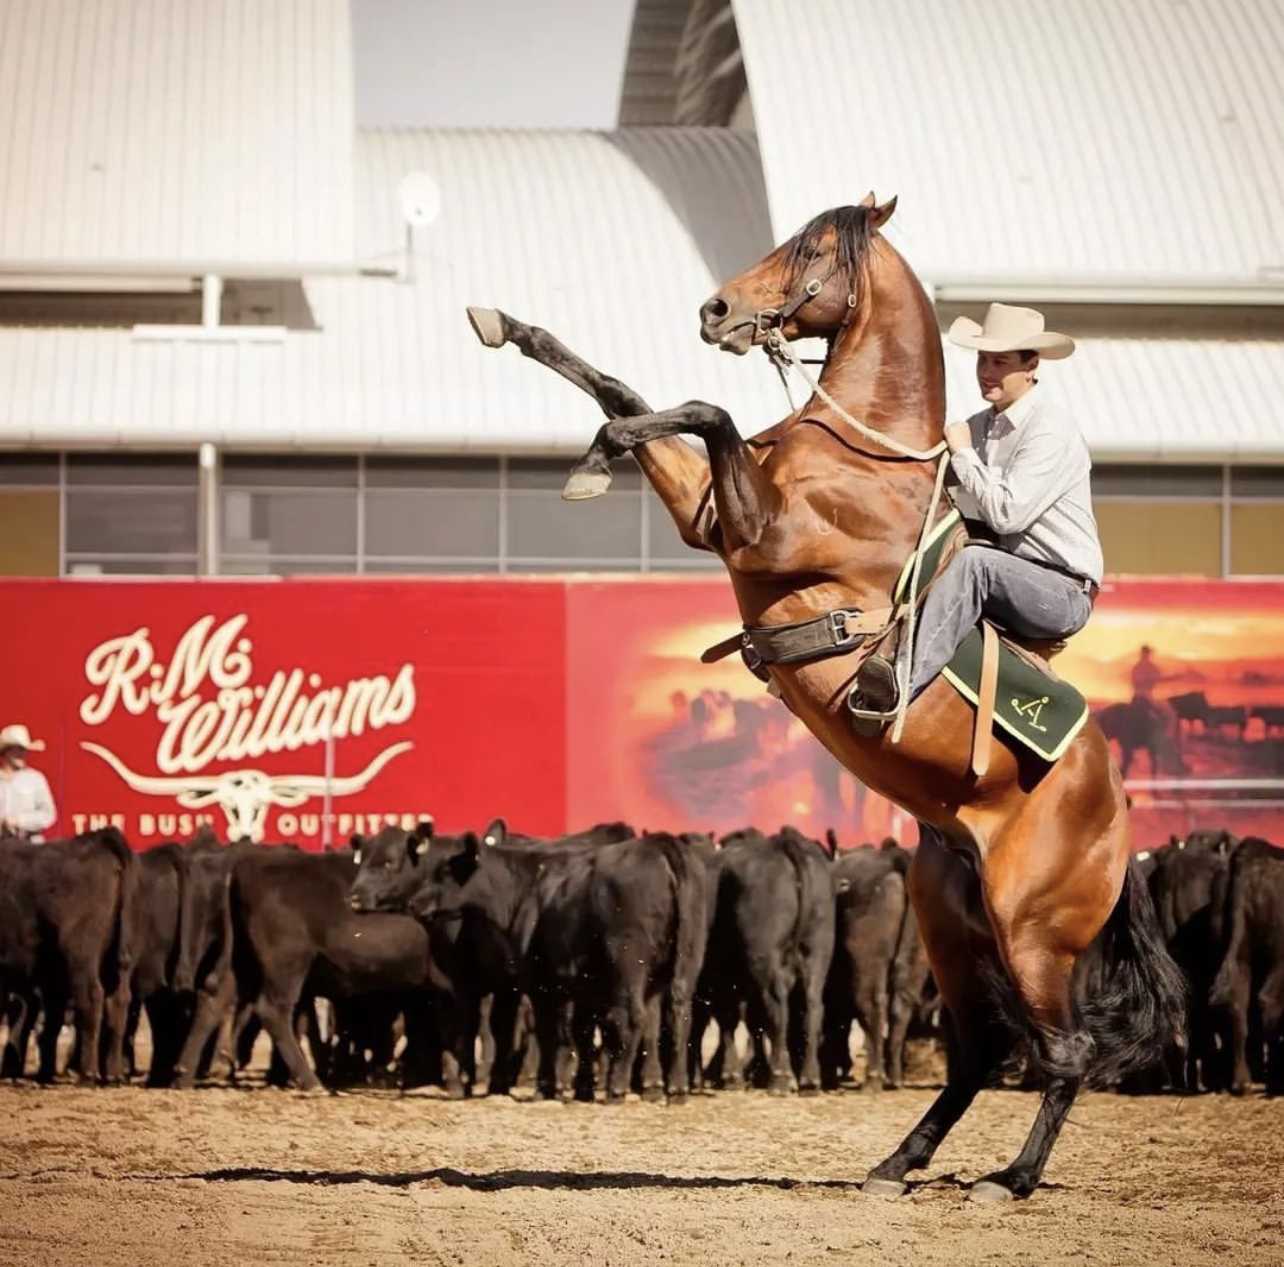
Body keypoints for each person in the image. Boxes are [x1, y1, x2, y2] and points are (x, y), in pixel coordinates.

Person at [853, 302, 1104, 715]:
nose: (986, 371)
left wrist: (964, 454)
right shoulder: (981, 426)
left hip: (1062, 592)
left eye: (1000, 362)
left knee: (974, 563)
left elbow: (1007, 514)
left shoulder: (1051, 430)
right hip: (1012, 578)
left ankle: (899, 683)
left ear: (1031, 365)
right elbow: (925, 479)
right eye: (982, 360)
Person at [0, 722, 57, 842]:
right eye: (18, 749)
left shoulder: (36, 779)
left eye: (24, 750)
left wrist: (19, 820)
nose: (23, 754)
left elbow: (48, 814)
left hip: (30, 849)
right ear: (6, 751)